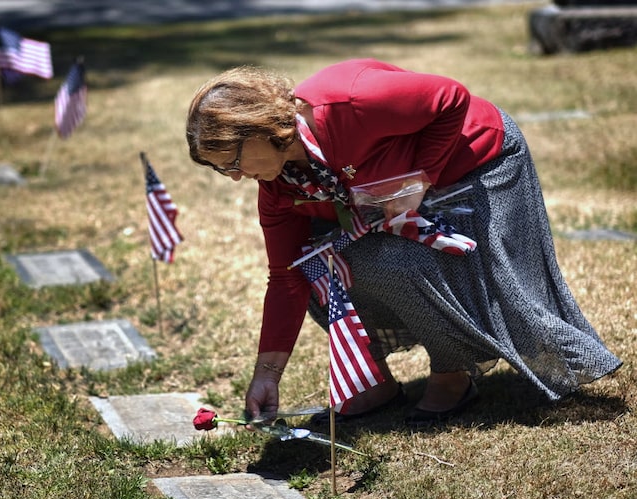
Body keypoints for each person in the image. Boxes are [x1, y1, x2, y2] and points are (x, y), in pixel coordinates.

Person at [185, 59, 622, 426]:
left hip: (471, 165)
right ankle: (373, 383)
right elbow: (285, 279)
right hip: (406, 194)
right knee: (317, 267)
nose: (236, 177)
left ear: (259, 127)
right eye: (223, 170)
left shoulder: (346, 101)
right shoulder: (281, 187)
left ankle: (453, 372)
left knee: (399, 264)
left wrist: (419, 179)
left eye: (234, 162)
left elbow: (451, 98)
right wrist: (267, 373)